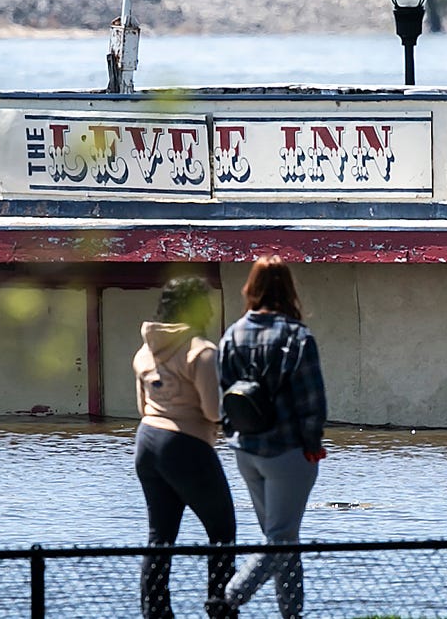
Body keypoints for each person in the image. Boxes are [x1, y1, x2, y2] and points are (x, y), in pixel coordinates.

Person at [218, 256, 328, 619]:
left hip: (246, 451)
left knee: (282, 538)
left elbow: (225, 397)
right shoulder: (298, 337)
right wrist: (312, 445)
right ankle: (229, 597)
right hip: (287, 452)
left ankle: (291, 615)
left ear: (251, 287)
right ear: (289, 289)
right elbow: (312, 401)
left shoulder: (232, 334)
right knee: (281, 540)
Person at [133, 277, 237, 619]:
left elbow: (143, 408)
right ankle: (220, 607)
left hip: (146, 443)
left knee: (159, 535)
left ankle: (156, 612)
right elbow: (211, 411)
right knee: (222, 530)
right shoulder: (201, 352)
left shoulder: (144, 352)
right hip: (187, 446)